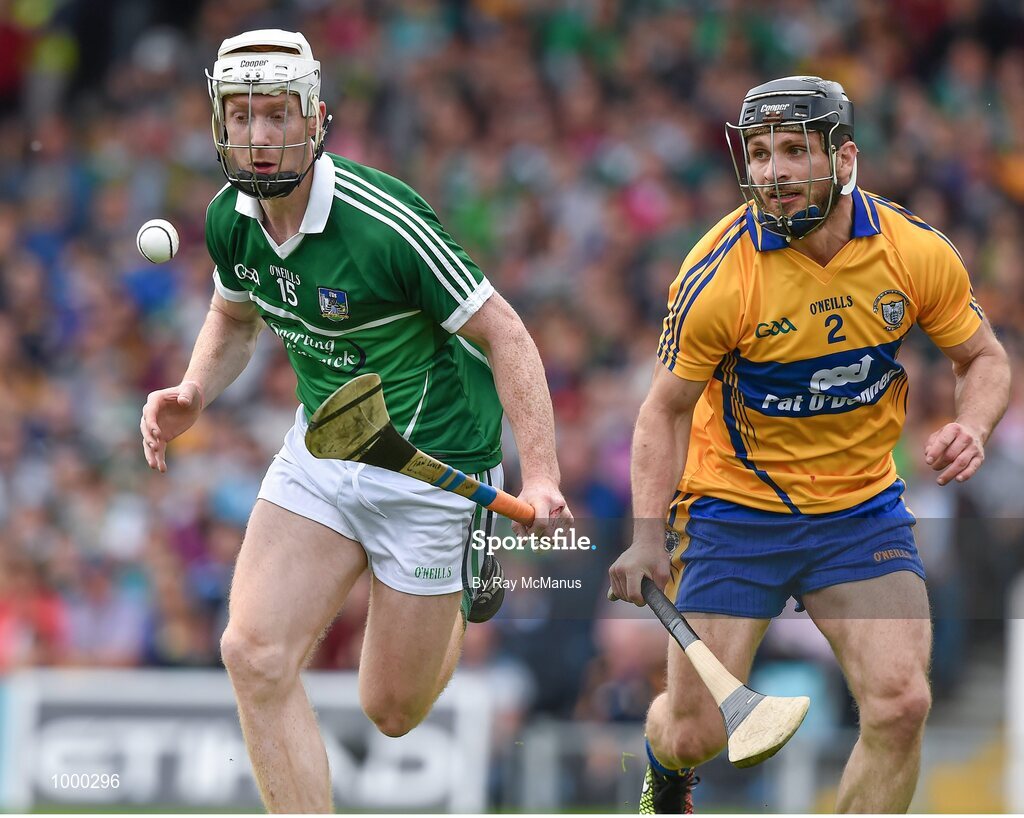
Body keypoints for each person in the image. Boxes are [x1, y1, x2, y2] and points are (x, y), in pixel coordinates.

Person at [140, 29, 571, 813]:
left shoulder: (384, 222)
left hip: (431, 464)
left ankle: (470, 557)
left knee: (392, 711)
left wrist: (539, 474)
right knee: (252, 654)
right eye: (241, 116)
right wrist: (196, 391)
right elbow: (234, 318)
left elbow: (504, 332)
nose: (259, 136)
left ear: (315, 117)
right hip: (326, 445)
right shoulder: (231, 219)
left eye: (276, 115)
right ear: (219, 123)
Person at [608, 76, 1010, 814]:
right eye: (759, 154)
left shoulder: (913, 251)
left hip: (860, 511)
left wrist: (972, 425)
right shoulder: (718, 273)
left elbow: (983, 358)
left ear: (845, 156)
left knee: (901, 703)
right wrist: (645, 538)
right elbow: (661, 413)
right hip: (735, 511)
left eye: (794, 150)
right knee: (696, 730)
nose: (772, 172)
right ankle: (665, 768)